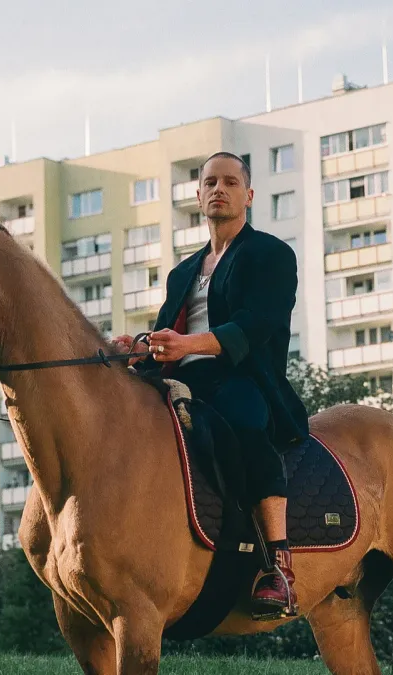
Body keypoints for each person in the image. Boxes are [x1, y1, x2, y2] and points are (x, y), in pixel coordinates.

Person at [111, 152, 308, 618]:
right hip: (182, 379)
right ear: (198, 196)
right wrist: (138, 347)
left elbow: (256, 325)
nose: (219, 189)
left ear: (249, 195)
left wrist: (185, 346)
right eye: (210, 182)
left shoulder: (271, 255)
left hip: (244, 378)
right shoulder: (182, 272)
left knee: (245, 423)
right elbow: (166, 332)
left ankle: (277, 565)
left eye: (231, 182)